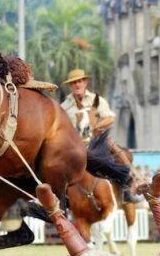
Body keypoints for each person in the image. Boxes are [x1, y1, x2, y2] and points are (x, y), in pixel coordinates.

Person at [61, 68, 143, 204]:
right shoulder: (64, 106)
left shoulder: (96, 100)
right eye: (73, 82)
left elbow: (110, 118)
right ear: (70, 85)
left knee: (122, 155)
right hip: (74, 146)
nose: (77, 85)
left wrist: (96, 126)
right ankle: (61, 197)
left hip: (96, 140)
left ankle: (126, 188)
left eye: (79, 81)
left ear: (85, 82)